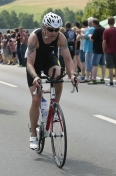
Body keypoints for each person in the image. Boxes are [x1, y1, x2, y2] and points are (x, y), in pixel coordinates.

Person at [26, 12, 78, 150]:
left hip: (49, 61)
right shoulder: (34, 37)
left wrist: (72, 75)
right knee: (36, 99)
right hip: (34, 65)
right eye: (51, 30)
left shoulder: (61, 37)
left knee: (58, 74)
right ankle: (32, 134)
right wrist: (36, 77)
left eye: (57, 29)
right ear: (44, 27)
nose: (54, 32)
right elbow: (29, 62)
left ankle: (54, 106)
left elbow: (67, 58)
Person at [102, 17, 116, 86]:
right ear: (114, 22)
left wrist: (103, 49)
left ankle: (111, 81)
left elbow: (104, 42)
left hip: (109, 50)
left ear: (108, 23)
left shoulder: (106, 31)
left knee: (110, 66)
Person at [88, 18, 106, 84]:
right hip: (103, 49)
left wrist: (90, 36)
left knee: (94, 64)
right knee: (102, 64)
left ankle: (94, 79)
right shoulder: (103, 29)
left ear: (94, 23)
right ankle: (102, 78)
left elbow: (92, 39)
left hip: (97, 49)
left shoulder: (96, 29)